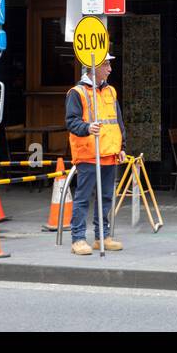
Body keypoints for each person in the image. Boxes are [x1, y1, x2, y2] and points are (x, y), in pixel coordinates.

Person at [65, 53, 125, 255]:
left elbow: (117, 122)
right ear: (94, 67)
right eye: (106, 65)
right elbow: (71, 122)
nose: (110, 69)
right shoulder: (77, 92)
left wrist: (122, 147)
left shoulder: (110, 91)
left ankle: (102, 236)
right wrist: (88, 128)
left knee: (106, 197)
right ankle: (78, 239)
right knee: (83, 198)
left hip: (109, 152)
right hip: (88, 153)